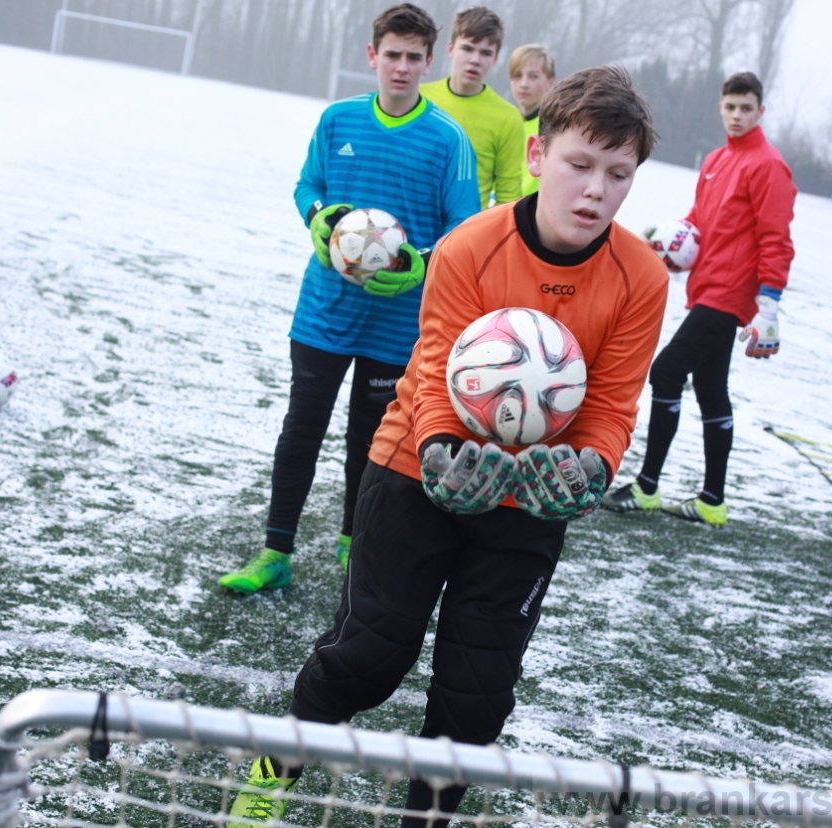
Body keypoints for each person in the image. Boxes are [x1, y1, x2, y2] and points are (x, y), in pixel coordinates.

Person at [226, 66, 667, 828]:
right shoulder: (471, 245)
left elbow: (611, 404)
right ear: (538, 156)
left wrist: (591, 465)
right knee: (370, 655)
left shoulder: (643, 279)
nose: (596, 189)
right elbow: (433, 368)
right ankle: (277, 764)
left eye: (618, 174)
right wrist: (438, 450)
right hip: (415, 470)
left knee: (476, 696)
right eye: (580, 164)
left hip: (527, 498)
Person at [218, 3, 479, 594]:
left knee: (369, 444)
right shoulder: (338, 121)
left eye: (415, 58)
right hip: (323, 314)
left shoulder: (448, 139)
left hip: (396, 323)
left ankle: (351, 546)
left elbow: (465, 231)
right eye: (393, 55)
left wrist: (418, 264)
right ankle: (275, 552)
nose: (403, 67)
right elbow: (307, 185)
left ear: (429, 62)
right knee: (300, 431)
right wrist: (317, 217)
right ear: (373, 56)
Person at [601, 71, 796, 527]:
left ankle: (647, 487)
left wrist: (769, 304)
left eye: (746, 108)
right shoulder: (715, 160)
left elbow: (777, 239)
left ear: (760, 111)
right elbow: (700, 220)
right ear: (720, 107)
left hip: (730, 294)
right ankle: (711, 500)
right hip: (704, 286)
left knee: (666, 370)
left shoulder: (768, 166)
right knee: (711, 390)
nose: (736, 115)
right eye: (730, 106)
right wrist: (672, 238)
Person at [422, 6, 525, 210]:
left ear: (495, 59)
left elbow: (508, 197)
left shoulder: (508, 117)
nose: (475, 60)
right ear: (451, 49)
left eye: (486, 53)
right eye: (468, 48)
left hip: (466, 233)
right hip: (411, 223)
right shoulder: (420, 98)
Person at [508, 43, 556, 197]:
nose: (524, 84)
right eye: (517, 76)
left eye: (533, 76)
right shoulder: (502, 121)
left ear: (550, 81)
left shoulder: (555, 128)